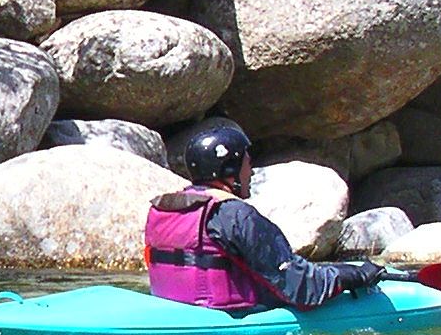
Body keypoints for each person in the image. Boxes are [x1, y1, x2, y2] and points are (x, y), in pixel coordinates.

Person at [145, 118, 386, 311]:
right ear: (229, 169)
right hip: (226, 316)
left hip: (174, 306)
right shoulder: (234, 215)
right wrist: (353, 275)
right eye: (247, 163)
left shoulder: (168, 207)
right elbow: (300, 287)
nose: (250, 172)